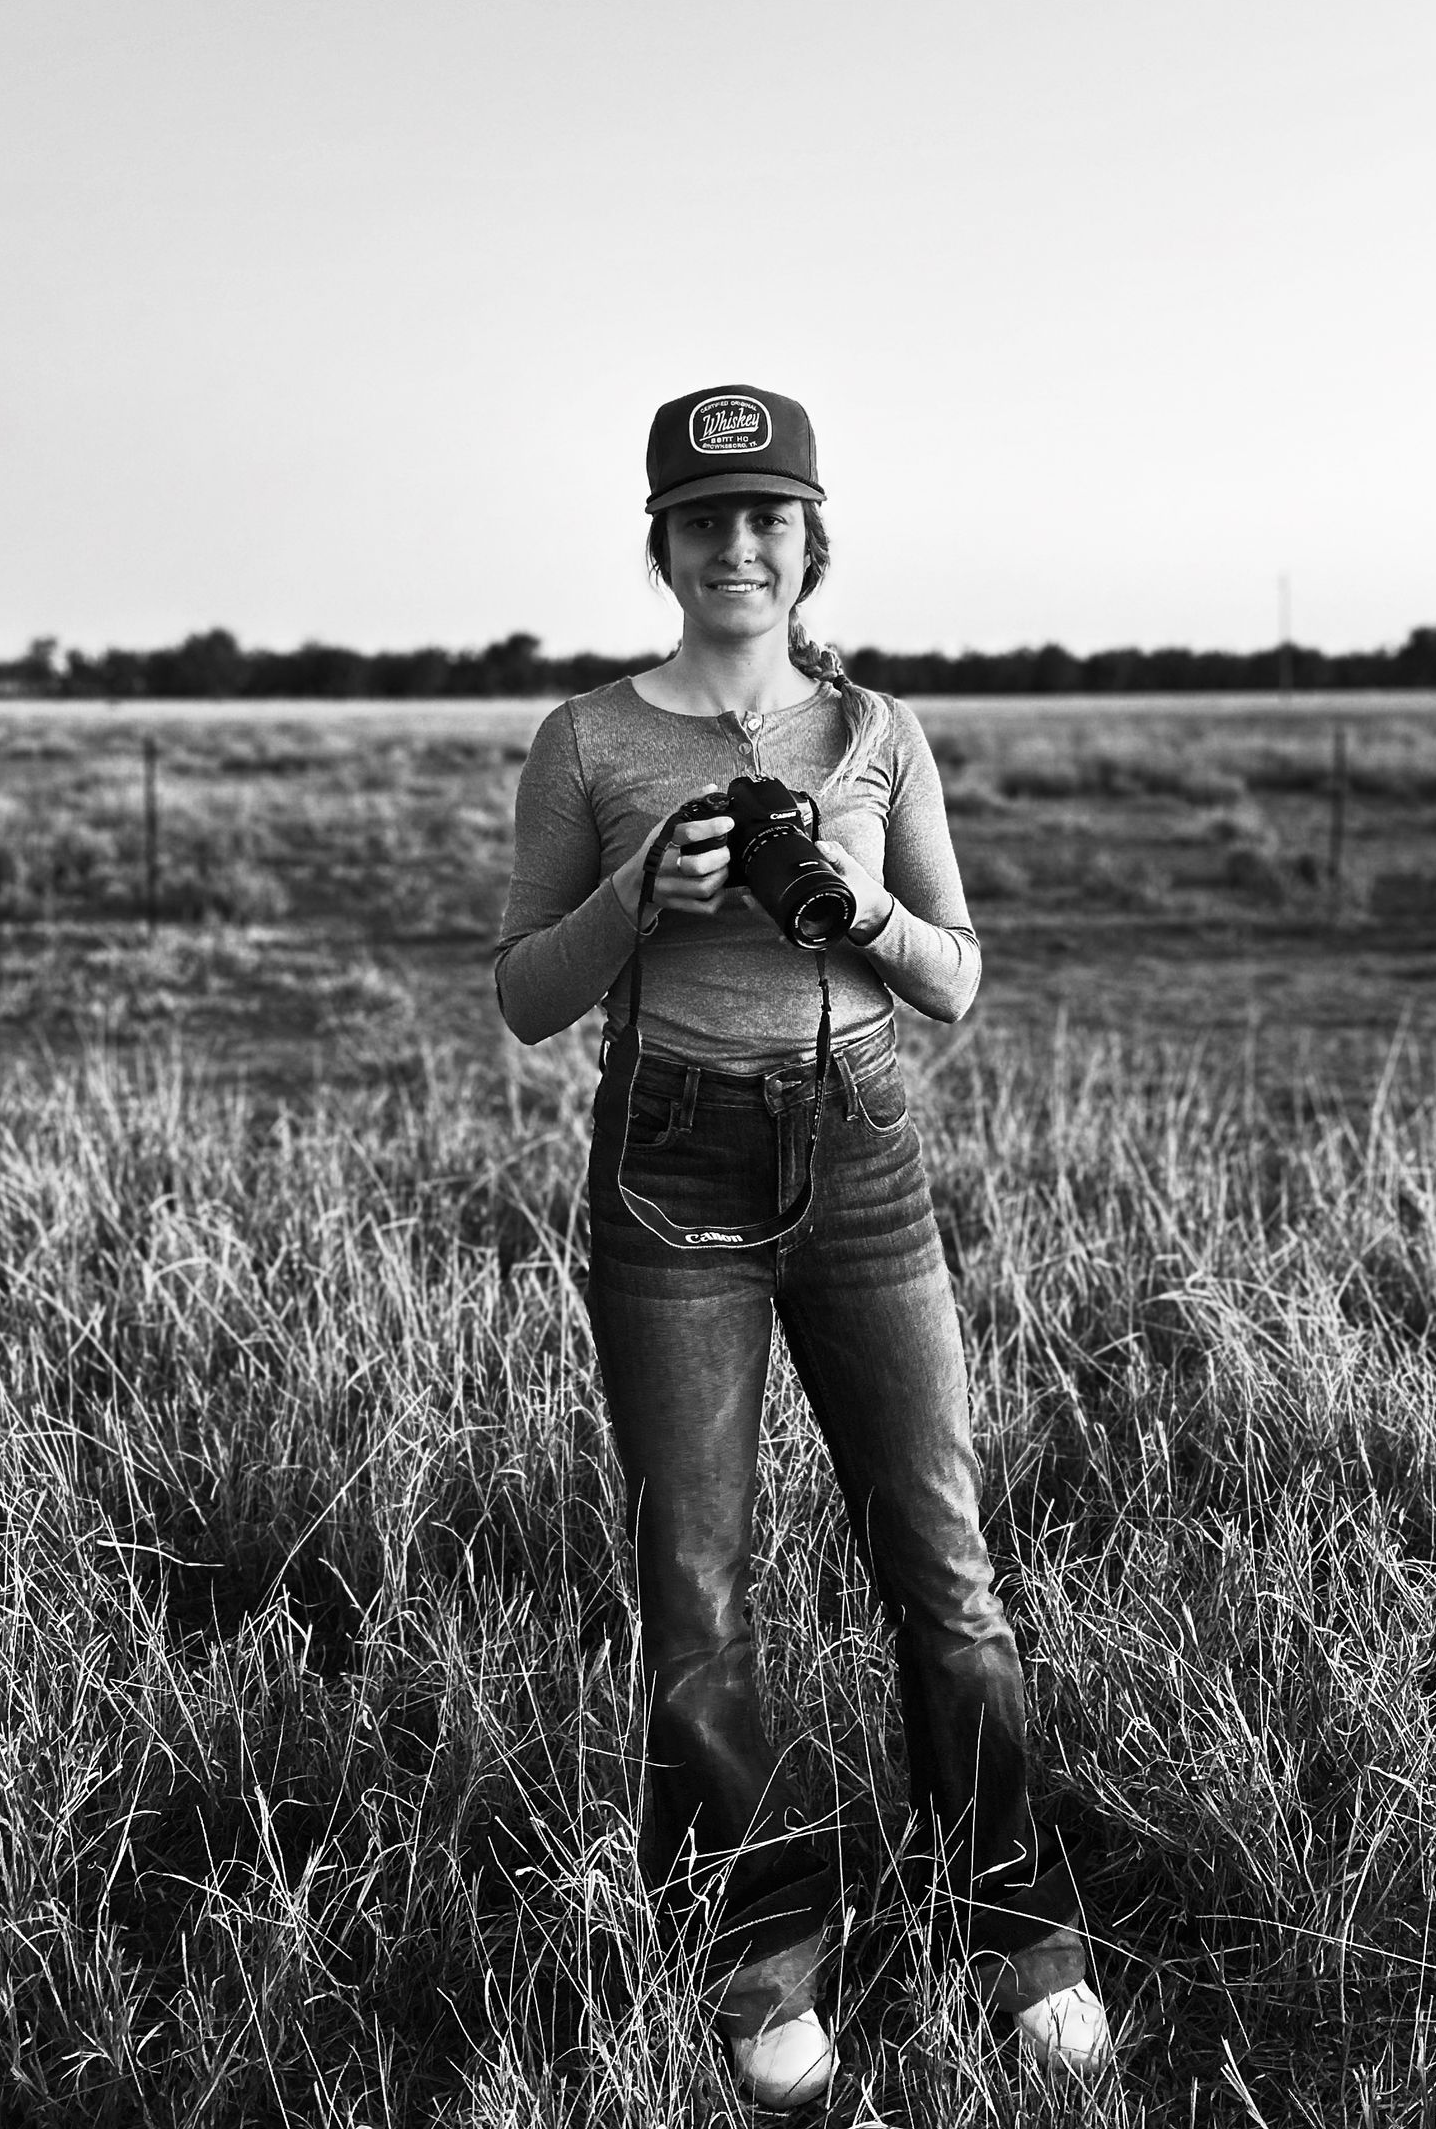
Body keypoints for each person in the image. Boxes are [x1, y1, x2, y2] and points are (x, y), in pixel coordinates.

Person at [494, 385, 1109, 2108]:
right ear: (662, 545)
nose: (737, 548)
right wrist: (643, 900)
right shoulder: (590, 743)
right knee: (694, 1592)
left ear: (810, 538)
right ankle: (765, 1945)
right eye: (704, 521)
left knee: (948, 1562)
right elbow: (527, 996)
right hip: (669, 1157)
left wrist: (862, 900)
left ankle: (1012, 1919)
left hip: (862, 1149)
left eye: (768, 519)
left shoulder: (879, 736)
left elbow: (960, 980)